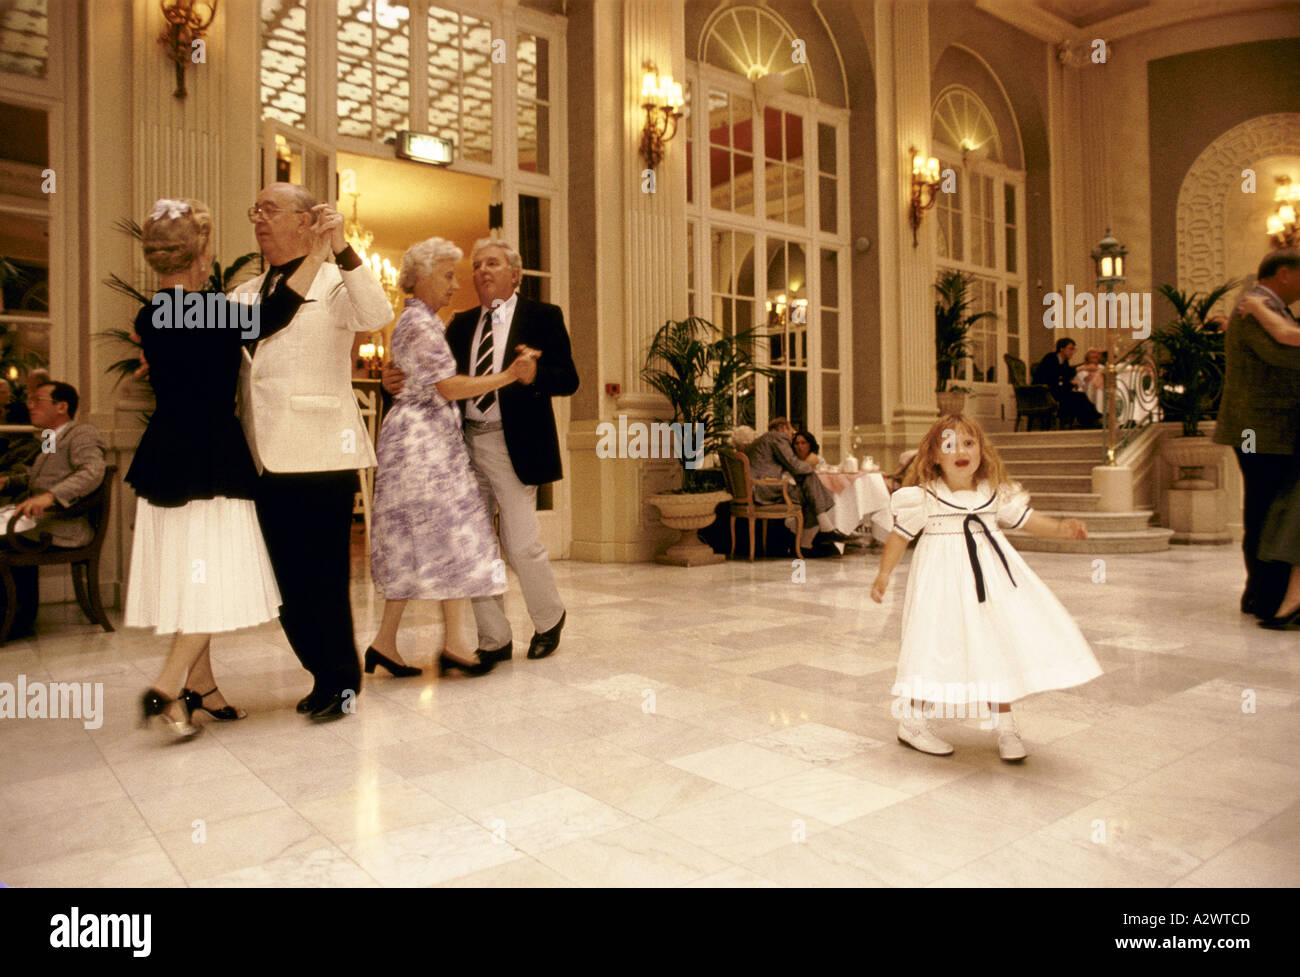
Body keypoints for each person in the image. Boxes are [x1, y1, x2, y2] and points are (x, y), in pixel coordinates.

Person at [129, 197, 330, 738]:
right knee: (212, 578)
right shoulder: (207, 311)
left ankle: (200, 689)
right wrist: (315, 251)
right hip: (210, 460)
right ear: (203, 251)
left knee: (186, 576)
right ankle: (168, 686)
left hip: (163, 459)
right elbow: (277, 314)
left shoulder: (151, 315)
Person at [231, 182, 395, 720]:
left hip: (321, 451)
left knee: (323, 576)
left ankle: (341, 680)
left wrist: (345, 249)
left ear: (306, 221)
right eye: (255, 209)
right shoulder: (245, 292)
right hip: (262, 455)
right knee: (282, 582)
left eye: (270, 209)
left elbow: (374, 314)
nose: (258, 218)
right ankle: (320, 669)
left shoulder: (335, 279)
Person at [383, 237, 578, 663]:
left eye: (492, 264)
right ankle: (494, 638)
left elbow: (568, 378)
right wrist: (392, 379)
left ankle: (548, 620)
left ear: (515, 274)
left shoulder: (543, 316)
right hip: (461, 442)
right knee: (473, 545)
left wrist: (533, 374)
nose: (482, 272)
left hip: (514, 443)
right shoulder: (460, 323)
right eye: (476, 266)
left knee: (520, 541)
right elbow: (435, 380)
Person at [870, 413, 1101, 760]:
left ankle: (1005, 725)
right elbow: (900, 535)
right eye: (949, 445)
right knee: (935, 642)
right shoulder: (924, 497)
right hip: (941, 584)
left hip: (991, 583)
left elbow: (1026, 520)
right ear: (933, 456)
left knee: (996, 643)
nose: (960, 450)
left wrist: (1059, 529)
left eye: (968, 442)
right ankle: (914, 722)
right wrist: (884, 574)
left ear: (981, 450)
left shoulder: (992, 493)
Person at [1212, 249, 1300, 622]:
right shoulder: (1254, 307)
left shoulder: (1268, 307)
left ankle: (1267, 593)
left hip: (1270, 426)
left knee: (1273, 509)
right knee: (1265, 508)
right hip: (1257, 427)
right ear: (1284, 273)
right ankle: (1264, 595)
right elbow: (1283, 355)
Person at [0, 380, 106, 638]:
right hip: (38, 522)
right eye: (30, 401)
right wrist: (7, 481)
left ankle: (13, 622)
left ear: (62, 406)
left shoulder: (81, 433)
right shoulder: (49, 437)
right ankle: (18, 617)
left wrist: (49, 497)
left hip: (64, 526)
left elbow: (93, 472)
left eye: (37, 401)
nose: (30, 406)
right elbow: (38, 476)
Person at [745, 417, 848, 552]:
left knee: (811, 491)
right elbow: (795, 465)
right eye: (791, 433)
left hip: (756, 489)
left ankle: (811, 540)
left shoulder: (762, 440)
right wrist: (812, 464)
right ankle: (817, 535)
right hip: (765, 490)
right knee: (811, 488)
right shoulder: (777, 437)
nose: (791, 438)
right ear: (783, 428)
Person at [1033, 337, 1100, 428]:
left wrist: (1071, 383)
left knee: (1078, 395)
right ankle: (1091, 421)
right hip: (1044, 392)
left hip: (1056, 390)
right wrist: (1080, 368)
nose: (1072, 352)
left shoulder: (1065, 362)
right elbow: (1054, 375)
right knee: (1078, 397)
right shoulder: (1051, 357)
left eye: (1074, 349)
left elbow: (1064, 377)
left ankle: (1087, 422)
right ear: (1061, 349)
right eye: (1070, 349)